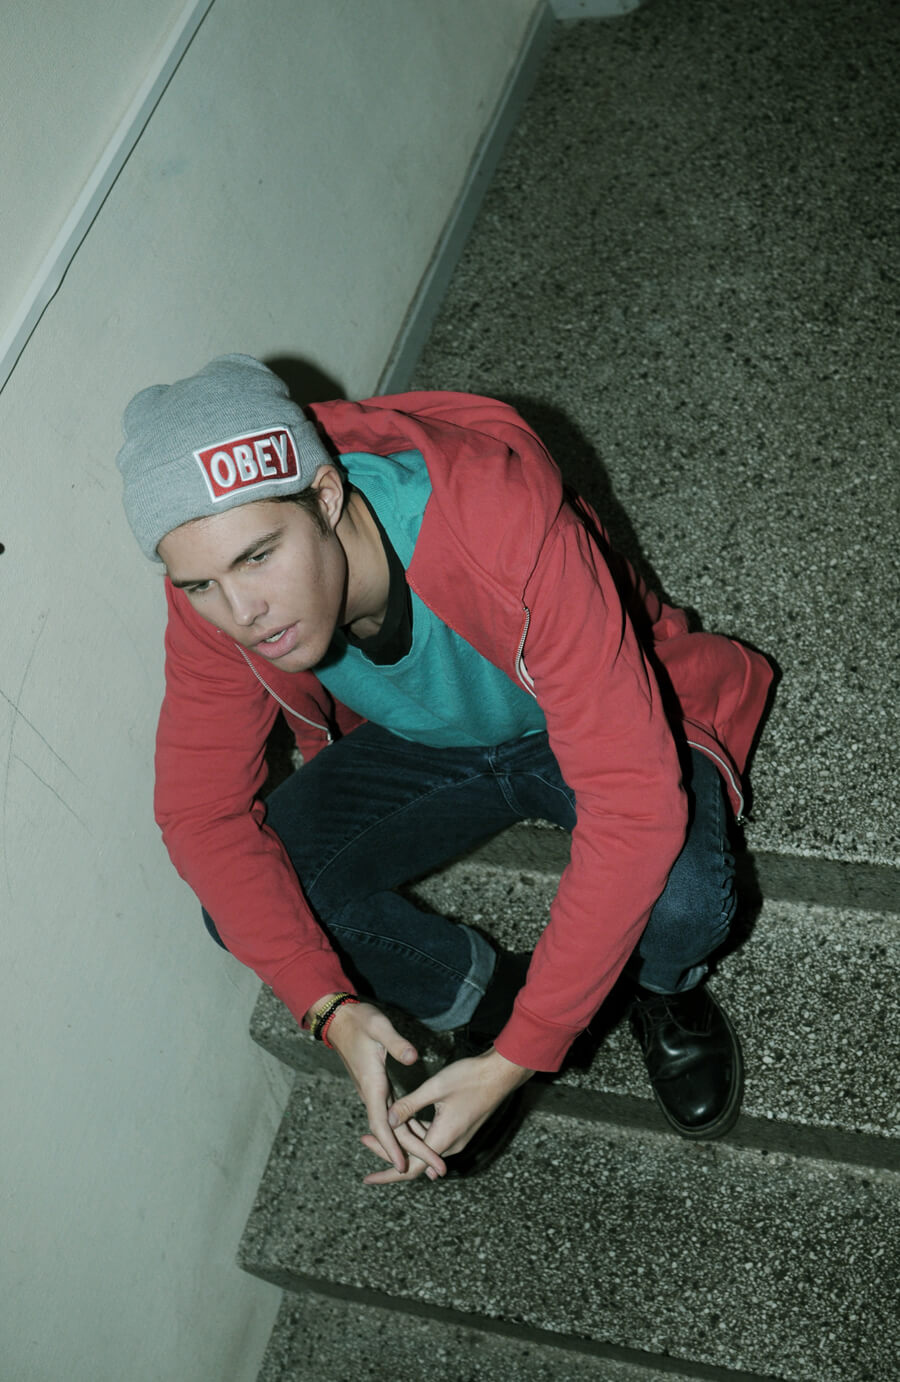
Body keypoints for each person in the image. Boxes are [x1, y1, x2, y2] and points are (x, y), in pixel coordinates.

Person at [117, 354, 773, 1185]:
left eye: (258, 557)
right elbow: (202, 815)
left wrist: (522, 1056)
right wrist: (329, 1005)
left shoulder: (498, 520)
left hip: (588, 716)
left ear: (327, 497)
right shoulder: (212, 600)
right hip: (427, 740)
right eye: (201, 584)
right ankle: (488, 995)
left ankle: (660, 987)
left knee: (681, 905)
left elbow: (634, 803)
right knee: (258, 897)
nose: (242, 613)